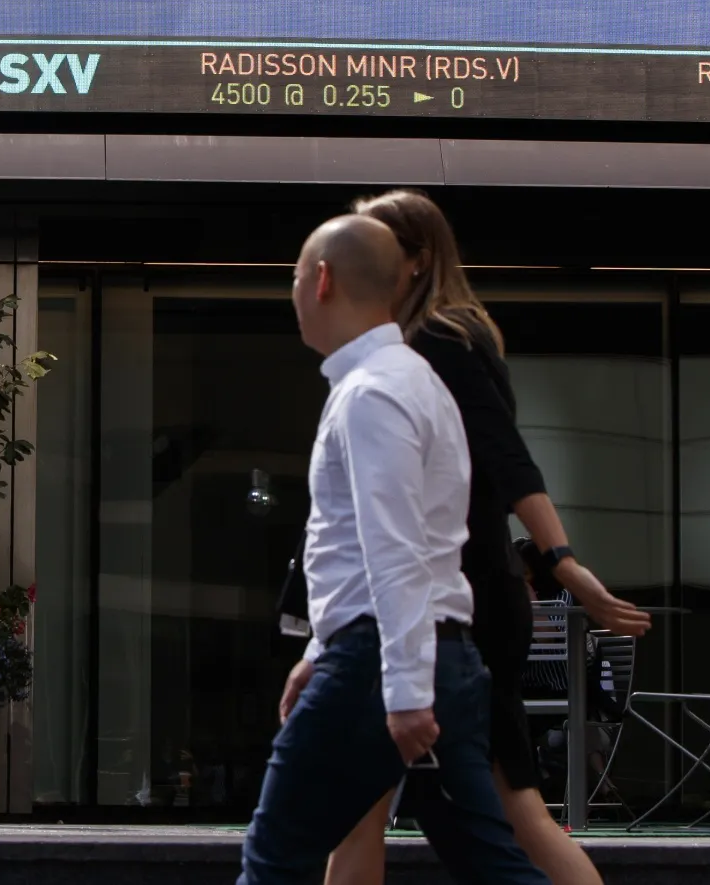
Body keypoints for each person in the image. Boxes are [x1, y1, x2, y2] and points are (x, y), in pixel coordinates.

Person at [322, 190, 650, 885]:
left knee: (507, 812)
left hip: (450, 603)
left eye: (373, 242)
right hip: (450, 598)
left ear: (411, 261)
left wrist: (562, 561)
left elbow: (506, 458)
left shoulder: (440, 341)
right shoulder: (431, 343)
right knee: (372, 808)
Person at [237, 214, 547, 885]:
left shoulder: (372, 393)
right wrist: (321, 648)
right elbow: (413, 545)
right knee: (491, 862)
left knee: (274, 861)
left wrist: (401, 689)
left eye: (294, 275)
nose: (291, 291)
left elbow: (396, 548)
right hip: (443, 658)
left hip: (382, 662)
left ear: (321, 280)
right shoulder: (415, 381)